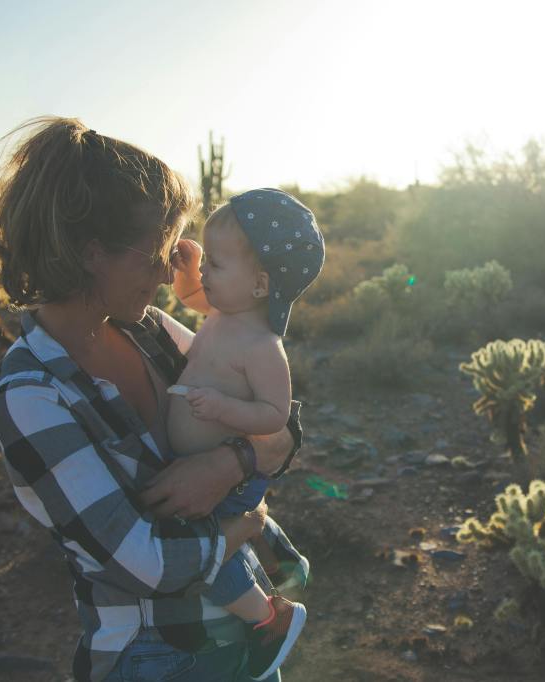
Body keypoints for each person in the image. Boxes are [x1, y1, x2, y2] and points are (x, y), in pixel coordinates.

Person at [0, 116, 308, 682]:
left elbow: (281, 426)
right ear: (91, 253)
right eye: (156, 254)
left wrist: (231, 463)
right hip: (157, 656)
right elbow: (145, 564)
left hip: (242, 640)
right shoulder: (32, 393)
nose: (168, 276)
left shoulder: (149, 330)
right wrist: (247, 523)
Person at [165, 190, 324, 680]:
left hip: (227, 478)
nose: (206, 275)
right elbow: (192, 297)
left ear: (259, 285)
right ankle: (280, 553)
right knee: (229, 528)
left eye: (216, 264)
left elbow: (275, 415)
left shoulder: (261, 346)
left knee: (209, 551)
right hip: (211, 469)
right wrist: (190, 269)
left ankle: (268, 618)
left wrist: (224, 408)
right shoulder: (224, 313)